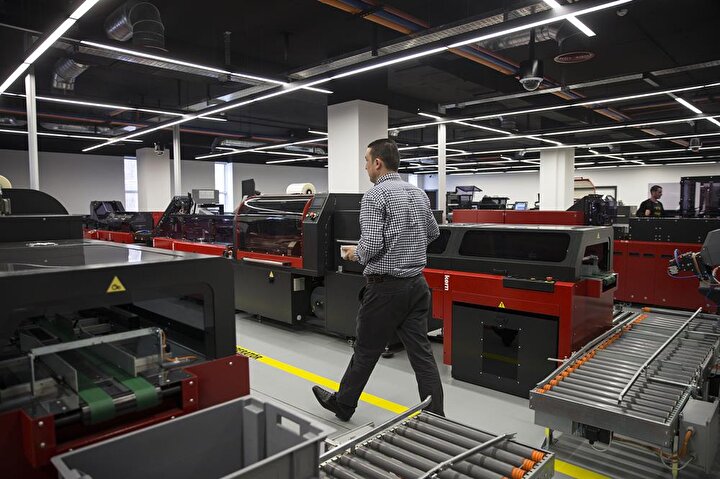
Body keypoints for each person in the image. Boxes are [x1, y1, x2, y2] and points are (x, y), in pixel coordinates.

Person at [312, 138, 444, 421]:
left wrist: (353, 253)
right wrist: (407, 248)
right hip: (417, 285)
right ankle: (436, 415)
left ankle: (344, 404)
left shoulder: (375, 196)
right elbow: (433, 232)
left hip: (385, 289)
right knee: (422, 355)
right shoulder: (418, 193)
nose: (365, 167)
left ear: (378, 163)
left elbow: (371, 245)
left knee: (365, 350)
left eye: (366, 161)